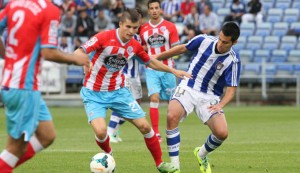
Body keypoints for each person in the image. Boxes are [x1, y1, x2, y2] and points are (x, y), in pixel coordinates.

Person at [75, 8, 191, 173]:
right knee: (101, 132)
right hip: (93, 93)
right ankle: (108, 153)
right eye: (128, 26)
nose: (131, 31)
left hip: (118, 92)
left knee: (145, 127)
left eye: (135, 28)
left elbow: (150, 61)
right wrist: (84, 61)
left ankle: (160, 163)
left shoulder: (134, 45)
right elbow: (79, 51)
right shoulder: (103, 37)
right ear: (120, 24)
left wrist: (173, 71)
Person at [0, 1, 90, 172]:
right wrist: (75, 58)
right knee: (15, 148)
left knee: (47, 135)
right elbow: (48, 52)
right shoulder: (49, 10)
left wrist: (6, 56)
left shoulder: (14, 4)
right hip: (23, 86)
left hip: (14, 82)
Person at [152, 22, 241, 172]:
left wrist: (220, 105)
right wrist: (158, 56)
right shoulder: (204, 40)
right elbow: (182, 48)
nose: (220, 44)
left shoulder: (233, 61)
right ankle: (175, 166)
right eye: (220, 39)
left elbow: (231, 91)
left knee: (222, 133)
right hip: (189, 85)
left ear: (234, 42)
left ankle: (201, 154)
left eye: (225, 42)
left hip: (209, 96)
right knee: (172, 116)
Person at [140, 0, 180, 142]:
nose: (154, 10)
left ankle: (171, 129)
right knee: (154, 97)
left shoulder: (170, 27)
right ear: (148, 11)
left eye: (157, 8)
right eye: (152, 8)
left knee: (172, 102)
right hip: (151, 69)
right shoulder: (143, 29)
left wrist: (161, 55)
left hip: (168, 68)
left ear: (161, 10)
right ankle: (156, 132)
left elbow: (177, 50)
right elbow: (143, 48)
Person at [107, 8, 144, 143]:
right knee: (124, 104)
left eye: (139, 19)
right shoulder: (128, 36)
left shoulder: (138, 37)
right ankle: (110, 131)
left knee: (136, 107)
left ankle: (113, 130)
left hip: (135, 76)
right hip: (126, 75)